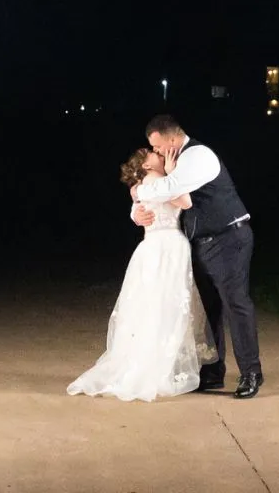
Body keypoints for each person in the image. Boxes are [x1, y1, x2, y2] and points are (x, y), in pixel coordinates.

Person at [67, 149, 217, 402]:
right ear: (147, 165)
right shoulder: (155, 181)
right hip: (165, 246)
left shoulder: (143, 186)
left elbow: (140, 203)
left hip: (156, 246)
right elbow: (186, 202)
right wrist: (172, 174)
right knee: (164, 307)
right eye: (154, 154)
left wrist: (137, 211)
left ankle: (155, 364)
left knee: (153, 306)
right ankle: (156, 368)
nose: (161, 155)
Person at [132, 114, 263, 399]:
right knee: (209, 310)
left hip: (229, 238)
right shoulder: (173, 167)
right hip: (200, 243)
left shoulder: (197, 156)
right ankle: (213, 371)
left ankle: (251, 373)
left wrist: (137, 188)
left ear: (170, 140)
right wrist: (137, 210)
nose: (154, 152)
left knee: (235, 304)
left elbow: (173, 189)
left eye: (155, 147)